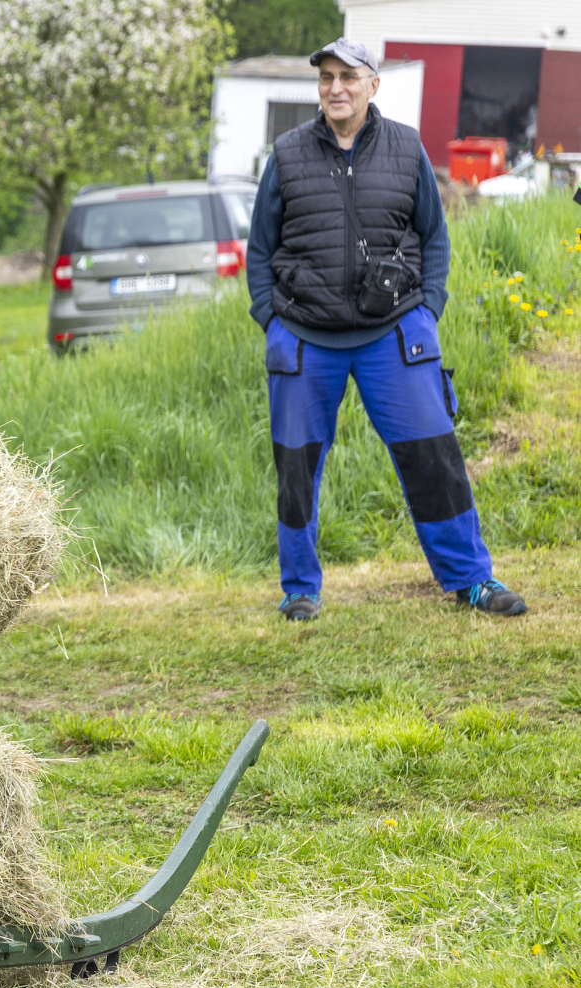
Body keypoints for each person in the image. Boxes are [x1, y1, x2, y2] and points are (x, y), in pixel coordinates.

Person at [246, 37, 526, 622]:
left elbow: (434, 237)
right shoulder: (287, 153)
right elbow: (261, 250)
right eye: (326, 77)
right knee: (296, 468)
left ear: (373, 85)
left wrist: (428, 310)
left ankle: (471, 579)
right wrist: (273, 322)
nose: (336, 88)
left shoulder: (406, 146)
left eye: (348, 77)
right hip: (304, 336)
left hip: (395, 332)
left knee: (434, 456)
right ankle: (299, 589)